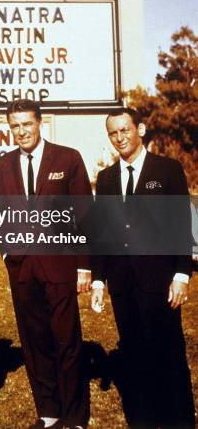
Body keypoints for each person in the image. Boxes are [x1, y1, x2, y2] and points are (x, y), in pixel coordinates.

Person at [91, 108, 195, 428]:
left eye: (125, 130)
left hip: (160, 282)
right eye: (113, 133)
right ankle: (143, 419)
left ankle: (178, 420)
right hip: (122, 285)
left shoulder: (167, 170)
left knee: (169, 353)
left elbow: (180, 225)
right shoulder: (107, 178)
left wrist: (181, 274)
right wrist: (98, 281)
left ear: (141, 129)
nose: (119, 138)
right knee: (134, 354)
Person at [0, 99, 91, 429]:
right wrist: (9, 255)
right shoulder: (4, 164)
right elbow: (4, 214)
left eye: (27, 124)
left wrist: (83, 266)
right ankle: (49, 412)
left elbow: (84, 215)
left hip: (60, 265)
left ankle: (75, 416)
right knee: (35, 340)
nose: (21, 131)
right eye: (15, 126)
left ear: (39, 123)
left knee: (66, 341)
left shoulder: (67, 158)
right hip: (23, 268)